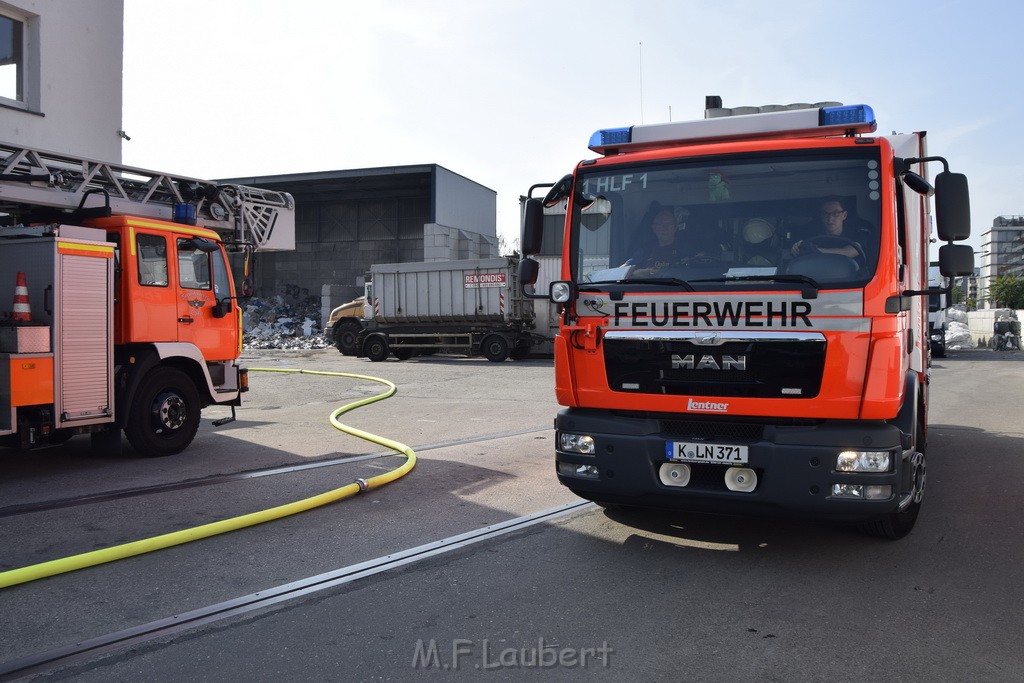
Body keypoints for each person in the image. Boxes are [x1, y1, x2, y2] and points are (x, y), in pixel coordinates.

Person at [624, 207, 712, 275]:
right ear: (654, 228)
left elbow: (702, 263)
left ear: (675, 228)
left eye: (668, 224)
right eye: (660, 225)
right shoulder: (644, 251)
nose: (664, 228)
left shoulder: (687, 250)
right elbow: (624, 269)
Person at [790, 197, 864, 261]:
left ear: (844, 215)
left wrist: (815, 250)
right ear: (821, 216)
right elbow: (801, 250)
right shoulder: (812, 236)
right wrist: (797, 249)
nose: (830, 218)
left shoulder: (857, 233)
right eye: (825, 213)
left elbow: (850, 252)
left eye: (835, 213)